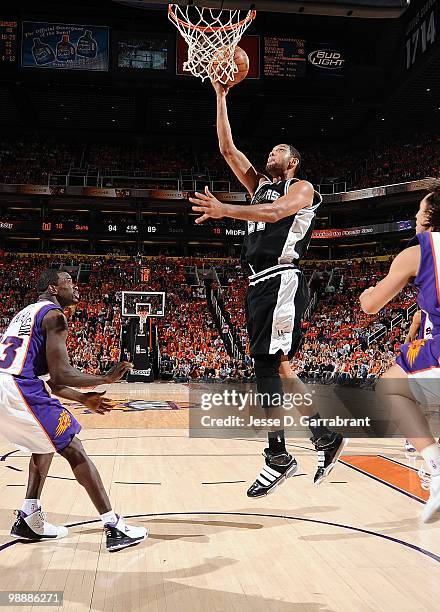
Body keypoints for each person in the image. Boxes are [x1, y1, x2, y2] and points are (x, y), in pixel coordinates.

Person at [189, 80, 347, 497]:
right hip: (258, 283)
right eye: (270, 151)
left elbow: (277, 214)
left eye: (278, 150)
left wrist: (226, 210)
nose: (270, 154)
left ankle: (278, 454)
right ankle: (324, 435)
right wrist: (221, 95)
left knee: (265, 363)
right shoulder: (258, 185)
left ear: (293, 161)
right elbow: (227, 148)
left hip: (282, 277)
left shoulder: (302, 188)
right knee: (276, 367)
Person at [0, 269, 148, 551]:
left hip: (8, 385)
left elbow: (51, 382)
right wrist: (104, 379)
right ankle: (114, 526)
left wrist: (83, 399)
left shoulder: (28, 313)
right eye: (68, 282)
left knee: (42, 444)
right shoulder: (55, 316)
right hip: (19, 388)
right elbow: (62, 374)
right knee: (73, 445)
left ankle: (29, 517)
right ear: (53, 289)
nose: (75, 287)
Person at [360, 186, 440, 522]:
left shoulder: (419, 250)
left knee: (390, 387)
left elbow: (371, 305)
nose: (415, 217)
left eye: (420, 211)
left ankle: (436, 466)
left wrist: (367, 292)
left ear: (431, 217)